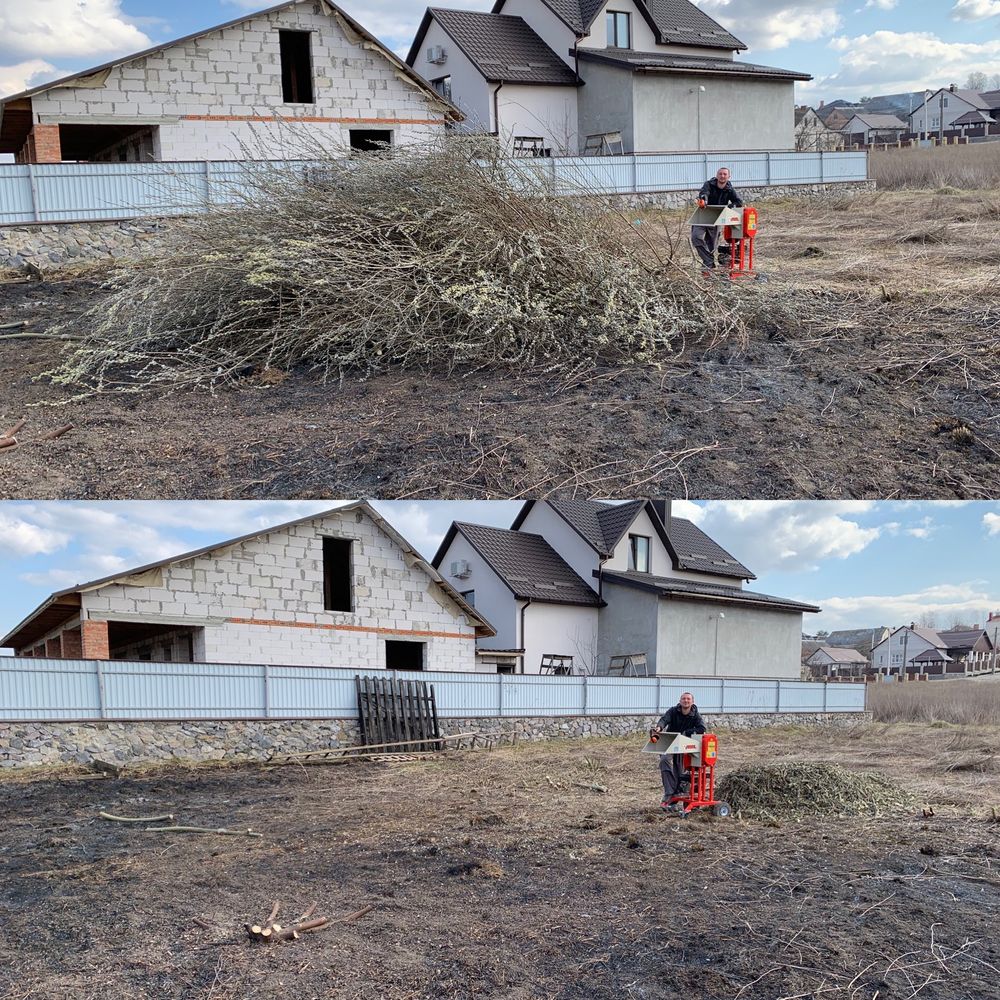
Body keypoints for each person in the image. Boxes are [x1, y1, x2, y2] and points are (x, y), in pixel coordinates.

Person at [651, 691, 707, 811]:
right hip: (671, 742)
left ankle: (676, 794)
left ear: (692, 702)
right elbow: (664, 720)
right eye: (683, 699)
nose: (685, 701)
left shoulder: (696, 715)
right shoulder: (673, 711)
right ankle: (670, 793)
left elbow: (702, 728)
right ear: (680, 700)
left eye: (688, 699)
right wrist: (659, 727)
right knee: (664, 761)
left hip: (686, 745)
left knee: (679, 768)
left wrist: (687, 732)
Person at [691, 166, 743, 271]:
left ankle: (708, 265)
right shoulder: (708, 184)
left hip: (717, 218)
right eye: (720, 174)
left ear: (729, 176)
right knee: (696, 237)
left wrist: (729, 207)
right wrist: (704, 200)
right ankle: (709, 260)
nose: (722, 176)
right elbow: (704, 193)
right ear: (717, 175)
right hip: (703, 215)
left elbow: (738, 202)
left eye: (725, 174)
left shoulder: (729, 189)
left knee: (712, 244)